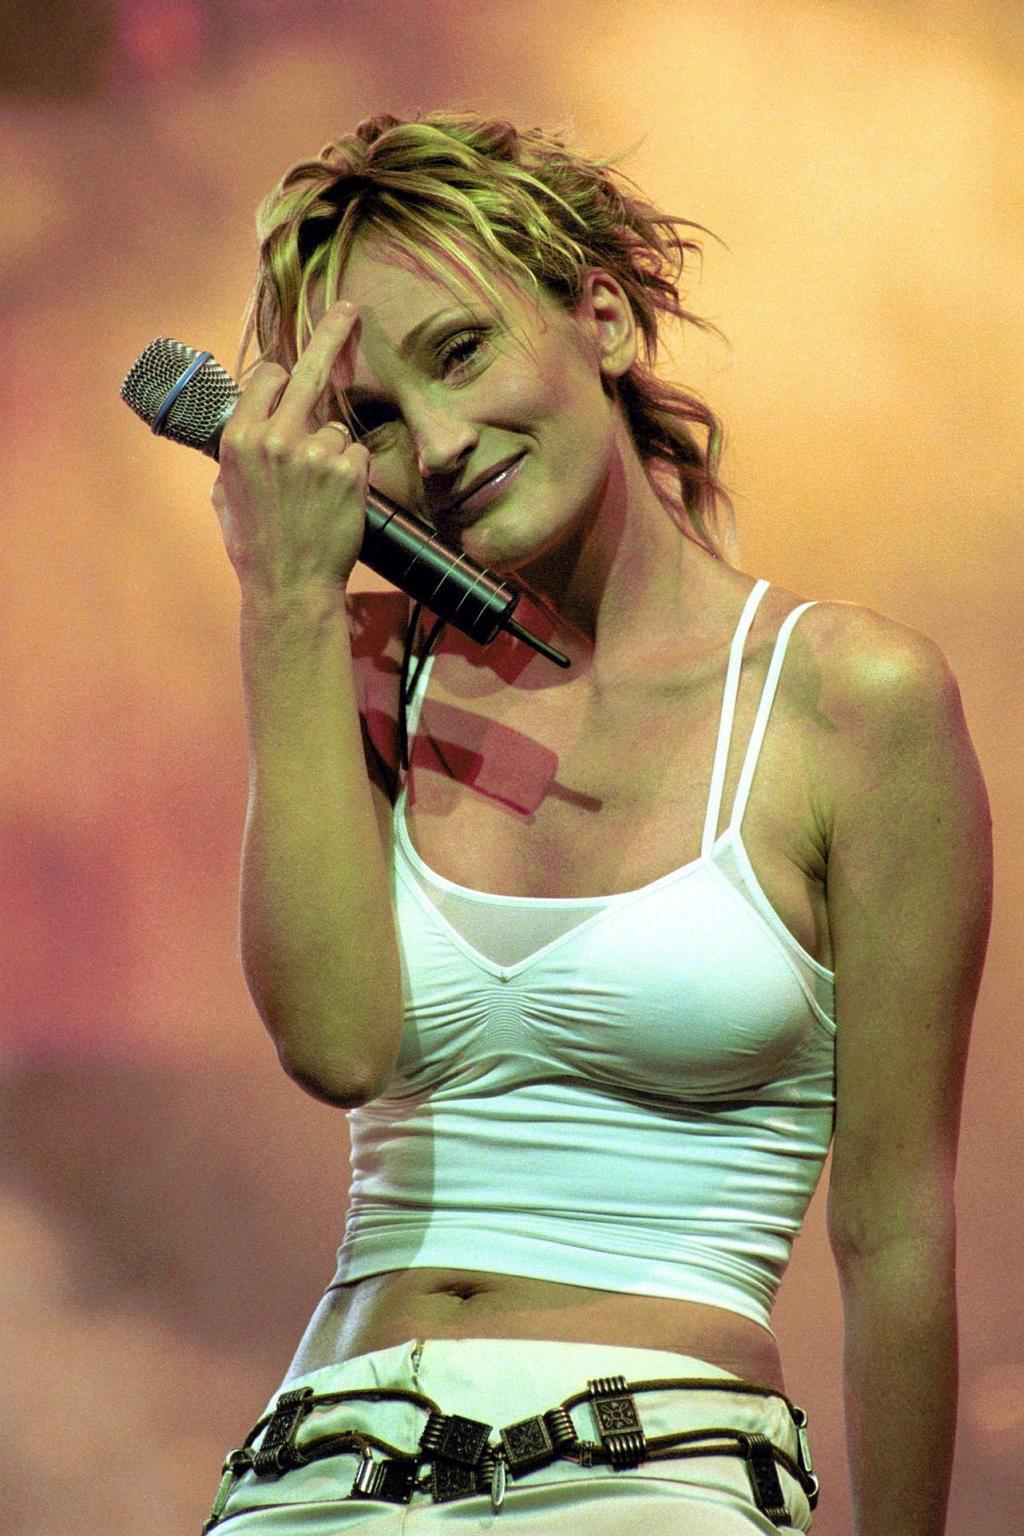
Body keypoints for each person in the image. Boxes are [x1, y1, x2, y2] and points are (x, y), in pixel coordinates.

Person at [203, 111, 992, 1534]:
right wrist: (286, 602)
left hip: (656, 1471)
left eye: (460, 353)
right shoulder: (360, 662)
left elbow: (895, 1231)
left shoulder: (848, 700)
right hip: (322, 1470)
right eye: (371, 419)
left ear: (606, 320)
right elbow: (335, 1046)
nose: (437, 444)